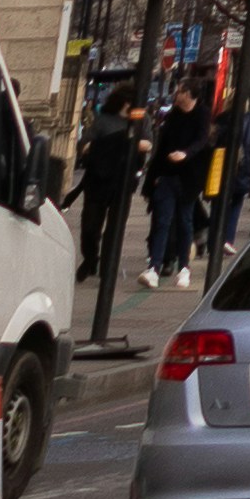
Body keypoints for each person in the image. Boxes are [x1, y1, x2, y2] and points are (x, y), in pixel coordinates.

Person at [71, 82, 143, 348]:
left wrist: (136, 142)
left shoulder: (139, 122)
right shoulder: (104, 120)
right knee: (90, 225)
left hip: (122, 183)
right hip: (98, 180)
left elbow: (147, 144)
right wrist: (96, 147)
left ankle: (107, 266)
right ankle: (91, 258)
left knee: (115, 228)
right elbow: (85, 144)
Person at [145, 83, 210, 292]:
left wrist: (186, 154)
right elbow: (161, 147)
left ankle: (184, 268)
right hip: (167, 176)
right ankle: (153, 268)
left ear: (189, 94)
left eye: (181, 91)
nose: (176, 94)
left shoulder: (202, 114)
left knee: (185, 222)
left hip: (189, 179)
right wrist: (154, 176)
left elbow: (202, 141)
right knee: (162, 221)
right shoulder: (173, 115)